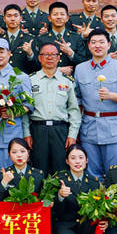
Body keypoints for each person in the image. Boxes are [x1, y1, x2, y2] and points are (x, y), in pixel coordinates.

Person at [74, 29, 117, 180]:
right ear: (89, 46)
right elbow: (77, 99)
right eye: (93, 42)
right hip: (89, 128)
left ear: (109, 44)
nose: (98, 46)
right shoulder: (80, 69)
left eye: (101, 42)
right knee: (91, 175)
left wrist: (110, 95)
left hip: (115, 129)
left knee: (116, 174)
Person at [0, 38, 33, 186]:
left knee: (11, 177)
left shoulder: (20, 76)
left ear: (9, 53)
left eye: (1, 52)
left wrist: (13, 113)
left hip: (9, 133)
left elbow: (29, 104)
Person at [23, 43, 81, 176]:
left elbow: (74, 111)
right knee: (38, 169)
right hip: (37, 130)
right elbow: (25, 110)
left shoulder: (67, 81)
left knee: (60, 170)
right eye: (45, 54)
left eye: (53, 55)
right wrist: (26, 133)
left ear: (58, 58)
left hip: (60, 130)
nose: (49, 58)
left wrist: (72, 135)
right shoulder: (30, 80)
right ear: (39, 58)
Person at [53, 144, 101, 234]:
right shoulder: (59, 180)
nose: (77, 161)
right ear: (67, 161)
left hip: (86, 224)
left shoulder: (94, 182)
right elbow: (53, 209)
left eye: (81, 157)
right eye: (73, 158)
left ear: (87, 160)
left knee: (100, 233)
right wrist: (60, 196)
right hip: (66, 223)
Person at [37, 2, 87, 76]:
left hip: (71, 79)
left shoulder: (76, 37)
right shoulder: (42, 39)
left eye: (62, 14)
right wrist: (57, 70)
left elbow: (84, 63)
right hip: (49, 78)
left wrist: (71, 54)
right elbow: (37, 64)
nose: (59, 17)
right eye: (55, 14)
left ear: (67, 18)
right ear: (49, 18)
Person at [0, 4, 37, 74]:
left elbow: (37, 67)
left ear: (21, 18)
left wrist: (30, 54)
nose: (12, 19)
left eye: (16, 16)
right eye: (9, 16)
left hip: (22, 78)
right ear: (4, 19)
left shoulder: (30, 39)